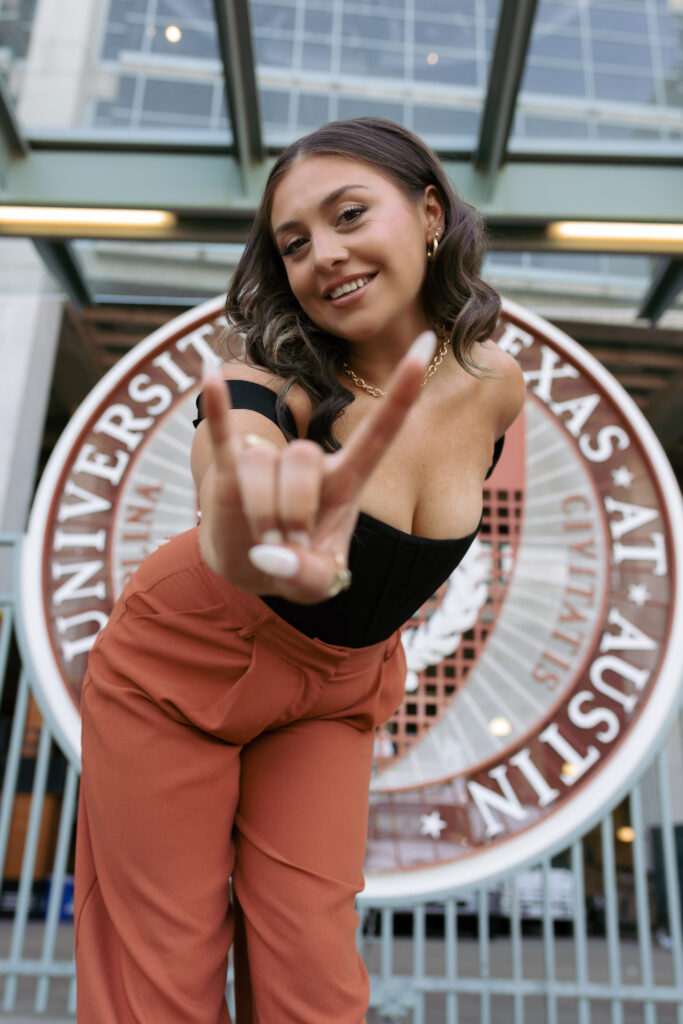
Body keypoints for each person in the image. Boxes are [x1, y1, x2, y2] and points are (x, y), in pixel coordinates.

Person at [74, 117, 525, 1023]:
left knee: (312, 971)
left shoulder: (494, 383)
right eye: (294, 243)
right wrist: (241, 511)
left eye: (348, 214)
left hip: (337, 688)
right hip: (183, 663)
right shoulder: (272, 371)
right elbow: (235, 445)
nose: (323, 254)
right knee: (161, 972)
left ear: (429, 212)